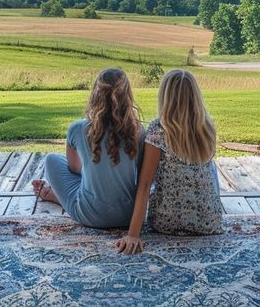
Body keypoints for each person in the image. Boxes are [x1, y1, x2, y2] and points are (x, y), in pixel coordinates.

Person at [115, 69, 224, 255]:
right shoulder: (208, 127)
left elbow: (145, 183)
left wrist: (133, 234)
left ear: (165, 96)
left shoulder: (159, 128)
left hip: (167, 222)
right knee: (209, 168)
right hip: (209, 221)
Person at [32, 67, 143, 228]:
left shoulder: (78, 129)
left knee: (51, 159)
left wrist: (96, 166)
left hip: (90, 215)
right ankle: (63, 194)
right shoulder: (139, 131)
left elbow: (75, 169)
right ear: (127, 96)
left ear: (95, 95)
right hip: (128, 215)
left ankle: (56, 196)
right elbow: (141, 178)